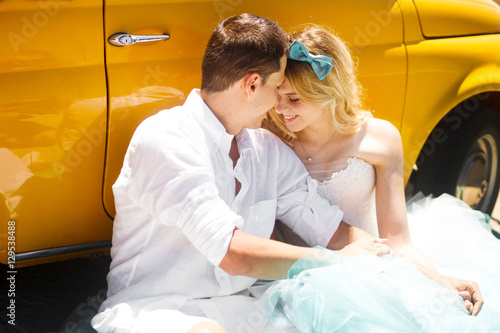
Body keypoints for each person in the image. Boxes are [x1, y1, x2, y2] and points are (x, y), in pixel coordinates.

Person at [91, 14, 393, 333]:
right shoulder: (166, 139)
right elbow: (233, 254)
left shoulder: (270, 151)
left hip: (245, 310)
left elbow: (329, 227)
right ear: (251, 85)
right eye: (277, 87)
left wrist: (369, 250)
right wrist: (339, 263)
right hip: (157, 312)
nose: (279, 104)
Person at [263, 26, 500, 331]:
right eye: (277, 96)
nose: (280, 109)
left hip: (370, 268)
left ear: (328, 91)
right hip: (290, 273)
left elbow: (397, 239)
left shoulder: (379, 138)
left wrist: (442, 282)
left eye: (294, 99)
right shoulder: (269, 138)